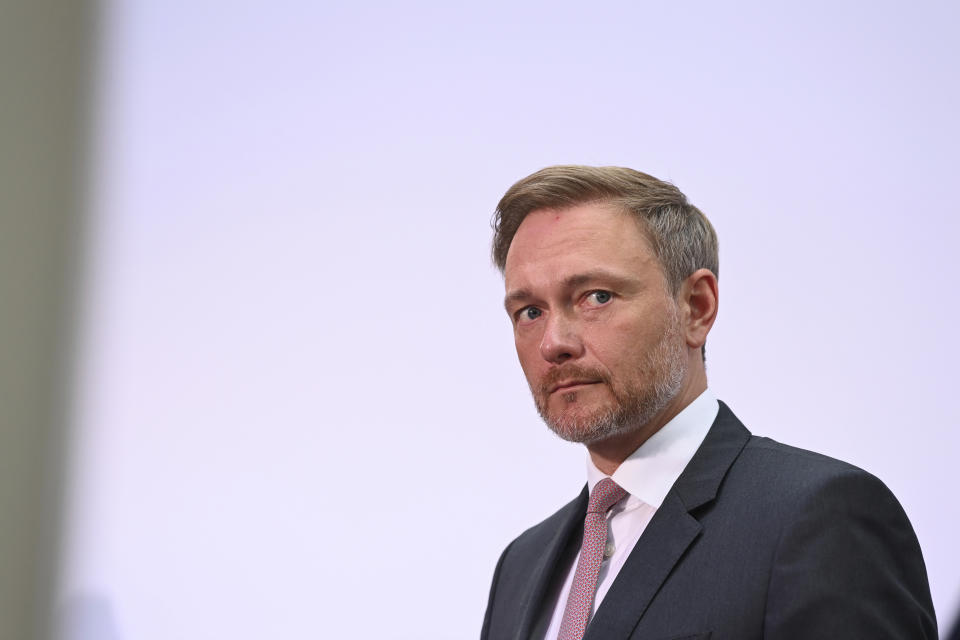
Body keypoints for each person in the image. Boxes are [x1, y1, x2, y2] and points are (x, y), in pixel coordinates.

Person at [480, 166, 936, 640]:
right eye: (530, 311)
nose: (554, 342)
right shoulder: (521, 565)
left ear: (696, 307)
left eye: (597, 296)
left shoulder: (818, 518)